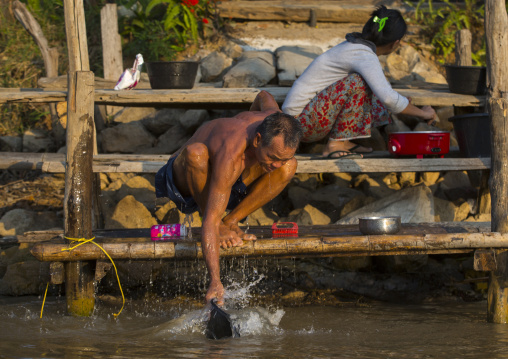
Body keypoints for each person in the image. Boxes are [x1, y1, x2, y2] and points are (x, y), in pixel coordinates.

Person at [155, 91, 303, 306]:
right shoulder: (231, 151)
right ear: (258, 139)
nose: (276, 165)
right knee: (196, 153)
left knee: (291, 167)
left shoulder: (275, 119)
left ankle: (231, 220)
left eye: (282, 157)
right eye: (272, 157)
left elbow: (263, 95)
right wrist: (215, 282)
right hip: (182, 178)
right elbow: (209, 221)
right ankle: (222, 226)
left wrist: (277, 159)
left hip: (228, 179)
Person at [282, 5, 437, 158]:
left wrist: (407, 105)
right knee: (359, 83)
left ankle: (343, 141)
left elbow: (385, 94)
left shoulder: (356, 47)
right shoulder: (363, 55)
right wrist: (423, 113)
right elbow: (389, 98)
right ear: (395, 43)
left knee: (375, 89)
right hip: (299, 124)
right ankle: (335, 144)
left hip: (303, 119)